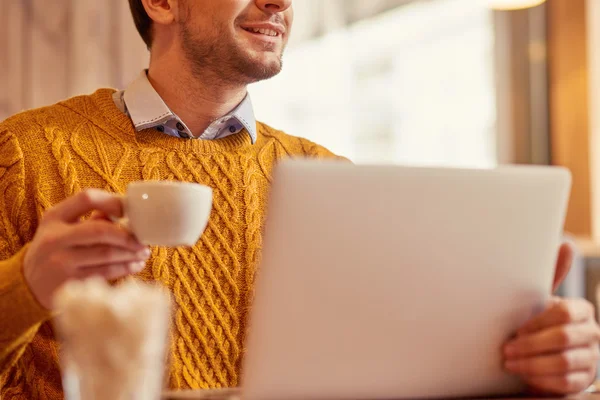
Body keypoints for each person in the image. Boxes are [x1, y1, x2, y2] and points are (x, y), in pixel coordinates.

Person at [0, 0, 598, 398]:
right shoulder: (23, 152)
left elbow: (395, 370)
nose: (280, 1)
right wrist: (25, 284)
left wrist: (534, 361)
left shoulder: (329, 177)